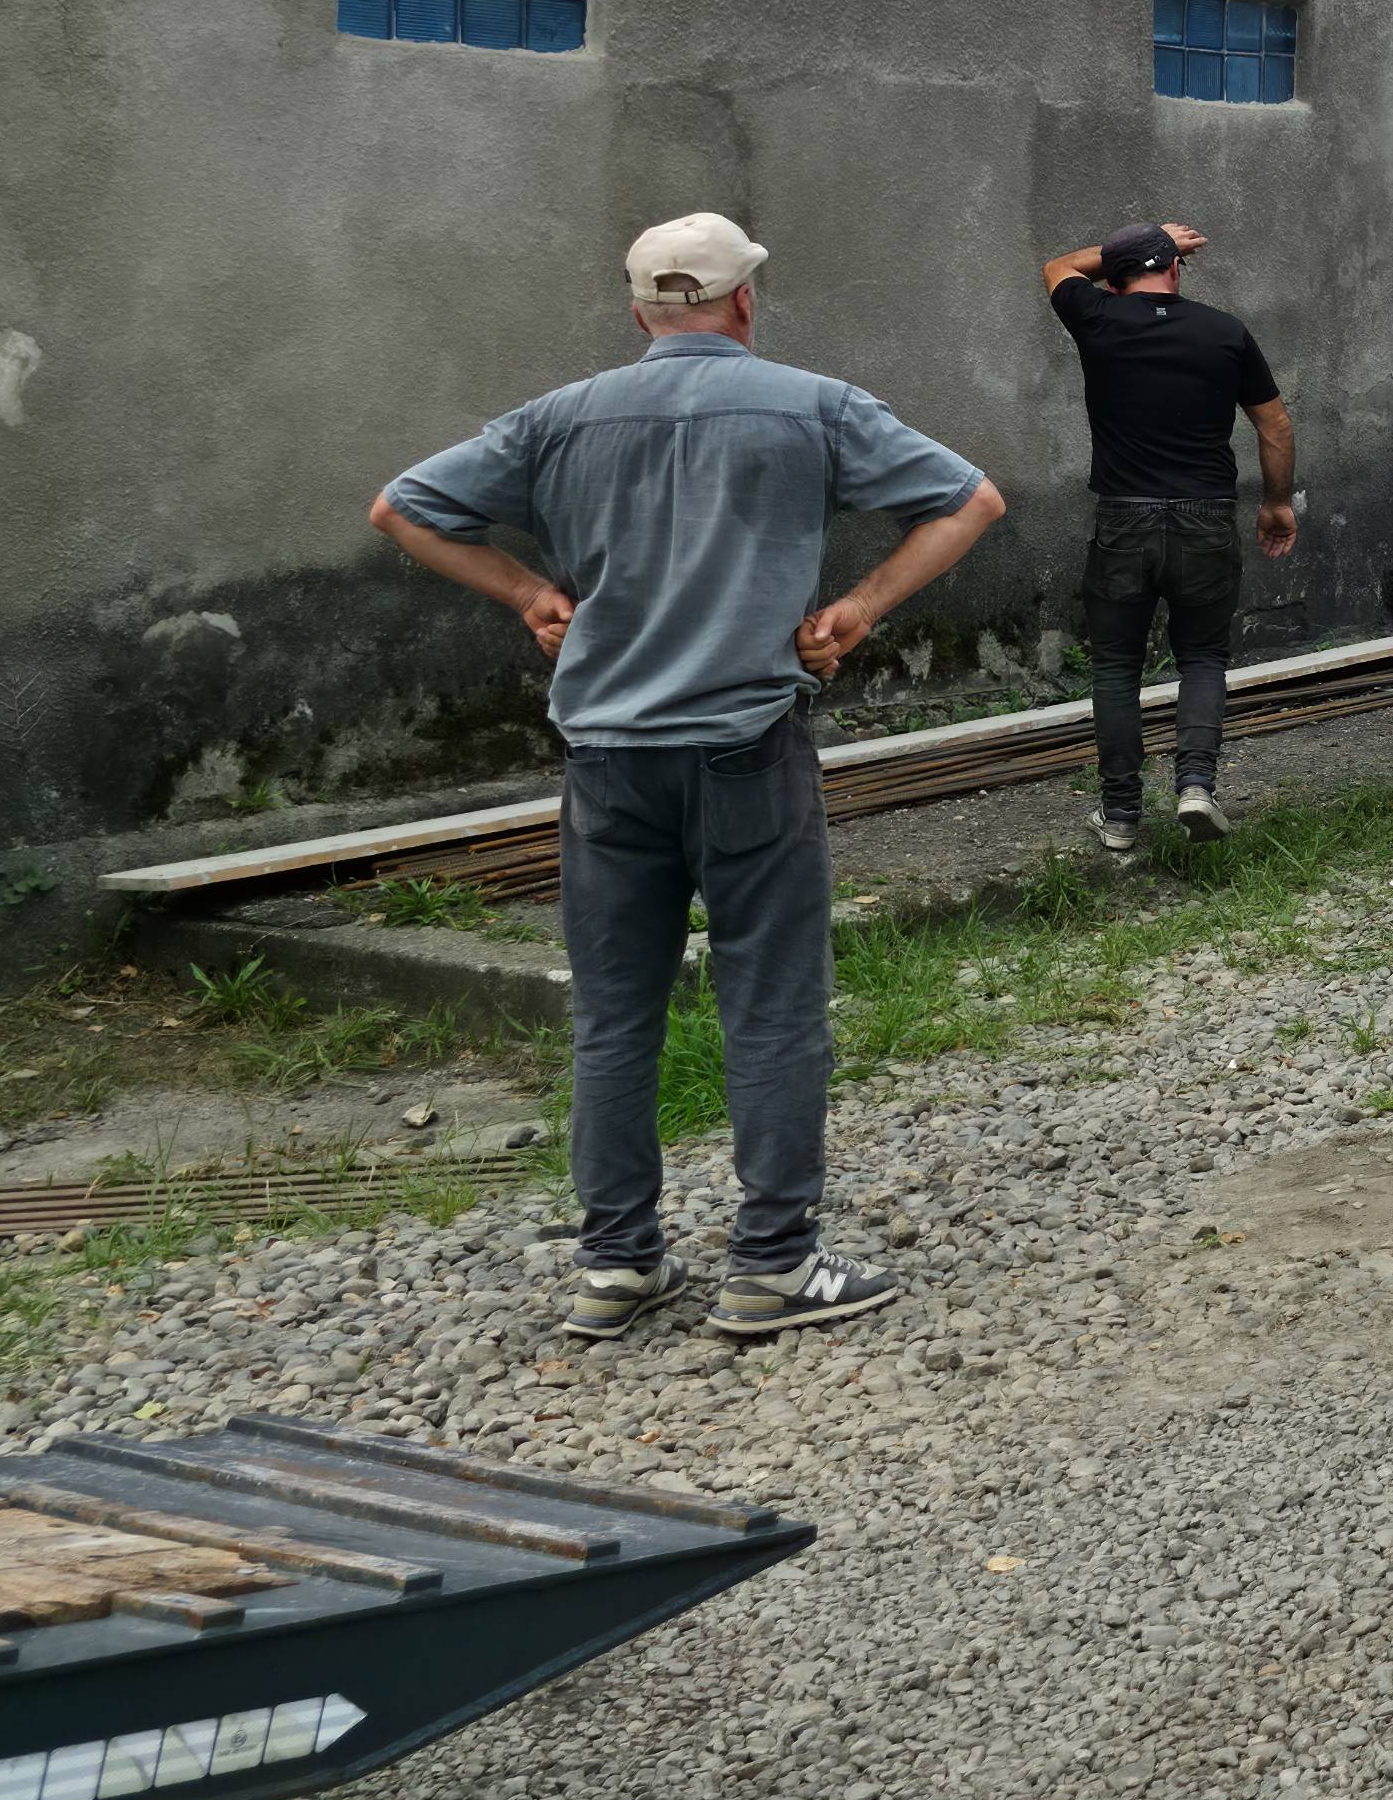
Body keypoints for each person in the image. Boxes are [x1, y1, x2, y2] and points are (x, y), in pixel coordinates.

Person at [372, 214, 1005, 1343]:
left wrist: (526, 595)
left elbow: (403, 508)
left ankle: (616, 1263)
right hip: (745, 748)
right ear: (746, 303)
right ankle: (771, 1263)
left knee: (614, 1016)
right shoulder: (813, 405)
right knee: (770, 1003)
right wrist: (855, 610)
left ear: (638, 314)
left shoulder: (558, 419)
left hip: (607, 760)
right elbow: (970, 501)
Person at [1037, 220, 1296, 850]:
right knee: (1204, 656)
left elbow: (1058, 267)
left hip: (1125, 518)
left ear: (1118, 275)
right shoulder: (1224, 331)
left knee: (1117, 667)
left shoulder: (1096, 317)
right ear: (1175, 269)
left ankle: (1122, 816)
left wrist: (1143, 244)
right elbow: (1275, 426)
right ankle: (1197, 787)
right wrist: (1277, 503)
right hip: (1205, 517)